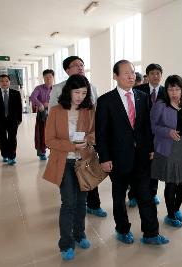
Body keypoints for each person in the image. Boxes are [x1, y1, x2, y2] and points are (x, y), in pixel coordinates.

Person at [95, 60, 169, 245]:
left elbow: (146, 127)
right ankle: (122, 229)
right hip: (117, 158)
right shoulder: (105, 100)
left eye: (133, 72)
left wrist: (151, 148)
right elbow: (101, 133)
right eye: (126, 73)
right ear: (115, 76)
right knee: (119, 197)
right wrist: (104, 158)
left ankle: (151, 233)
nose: (131, 76)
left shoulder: (141, 97)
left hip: (142, 157)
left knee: (146, 195)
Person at [43, 74, 95, 260]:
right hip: (64, 162)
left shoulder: (88, 110)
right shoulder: (56, 111)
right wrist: (72, 146)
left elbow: (93, 132)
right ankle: (66, 243)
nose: (80, 96)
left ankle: (80, 234)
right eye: (76, 92)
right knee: (68, 203)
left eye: (84, 92)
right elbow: (49, 140)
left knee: (82, 202)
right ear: (68, 92)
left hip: (83, 162)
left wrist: (88, 140)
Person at [48, 56, 107, 218]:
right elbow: (52, 114)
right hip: (65, 143)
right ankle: (70, 203)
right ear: (67, 70)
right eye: (75, 65)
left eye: (82, 65)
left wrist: (92, 136)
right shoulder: (58, 88)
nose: (80, 67)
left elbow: (95, 113)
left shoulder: (91, 87)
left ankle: (94, 205)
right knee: (69, 181)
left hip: (86, 140)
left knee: (89, 174)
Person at [150, 75, 182, 228]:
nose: (174, 92)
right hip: (167, 147)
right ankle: (170, 215)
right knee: (171, 183)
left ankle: (176, 209)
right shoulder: (160, 105)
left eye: (177, 89)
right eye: (171, 89)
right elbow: (153, 126)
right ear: (166, 90)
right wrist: (167, 131)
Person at [128, 63, 165, 207]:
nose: (155, 76)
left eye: (158, 73)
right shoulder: (137, 90)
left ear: (161, 75)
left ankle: (153, 193)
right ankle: (133, 194)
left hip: (158, 136)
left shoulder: (165, 92)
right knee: (137, 165)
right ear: (147, 76)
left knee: (153, 165)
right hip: (140, 134)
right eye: (152, 73)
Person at [0, 74, 22, 165]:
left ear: (9, 82)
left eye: (6, 81)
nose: (4, 83)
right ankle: (5, 155)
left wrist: (19, 119)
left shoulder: (16, 93)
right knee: (2, 139)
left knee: (12, 139)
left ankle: (12, 157)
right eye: (2, 81)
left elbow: (19, 107)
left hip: (13, 120)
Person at [29, 69, 54, 160]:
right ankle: (42, 152)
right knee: (41, 133)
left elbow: (60, 99)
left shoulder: (56, 88)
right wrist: (40, 104)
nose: (48, 79)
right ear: (43, 78)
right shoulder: (39, 88)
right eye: (46, 77)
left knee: (54, 134)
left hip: (54, 114)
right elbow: (32, 97)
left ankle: (53, 152)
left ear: (53, 78)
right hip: (42, 114)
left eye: (50, 77)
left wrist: (49, 103)